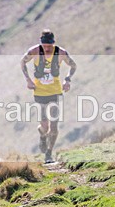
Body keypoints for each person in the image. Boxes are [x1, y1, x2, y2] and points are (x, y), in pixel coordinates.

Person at [20, 29, 77, 163]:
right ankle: (42, 136)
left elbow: (73, 65)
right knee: (44, 126)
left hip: (56, 92)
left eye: (49, 46)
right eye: (44, 46)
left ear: (53, 43)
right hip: (39, 92)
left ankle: (49, 153)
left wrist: (67, 80)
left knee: (54, 126)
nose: (46, 49)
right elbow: (22, 62)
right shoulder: (34, 51)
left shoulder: (61, 53)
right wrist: (28, 80)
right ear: (41, 43)